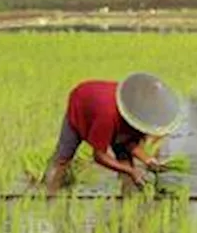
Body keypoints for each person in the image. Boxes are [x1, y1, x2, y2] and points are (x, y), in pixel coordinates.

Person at [42, 72, 185, 195]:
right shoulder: (107, 116)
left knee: (127, 162)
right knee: (63, 158)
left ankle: (129, 201)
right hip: (81, 104)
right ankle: (49, 195)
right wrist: (131, 171)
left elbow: (128, 142)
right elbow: (99, 156)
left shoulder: (139, 113)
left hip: (110, 115)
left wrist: (147, 159)